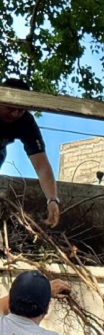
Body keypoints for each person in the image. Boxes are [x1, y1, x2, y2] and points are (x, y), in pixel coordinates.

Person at [0, 78, 60, 228]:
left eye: (20, 110)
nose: (14, 114)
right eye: (10, 107)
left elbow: (42, 166)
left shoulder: (26, 122)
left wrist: (52, 199)